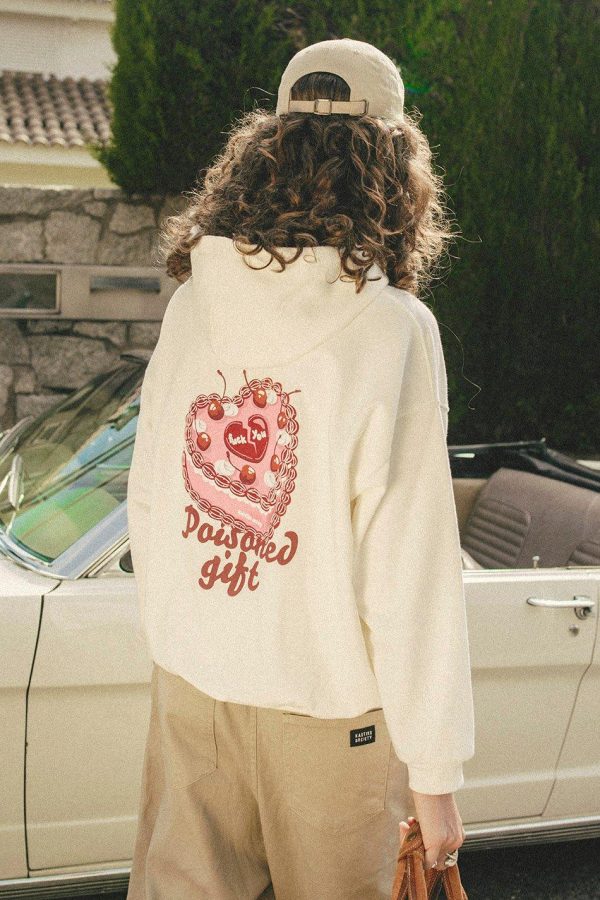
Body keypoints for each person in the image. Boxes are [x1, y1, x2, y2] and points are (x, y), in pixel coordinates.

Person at [125, 37, 475, 900]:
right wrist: (435, 776)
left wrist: (187, 642)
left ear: (263, 153)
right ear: (394, 167)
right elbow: (408, 567)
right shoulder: (393, 331)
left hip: (193, 694)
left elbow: (150, 502)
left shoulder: (192, 305)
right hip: (328, 719)